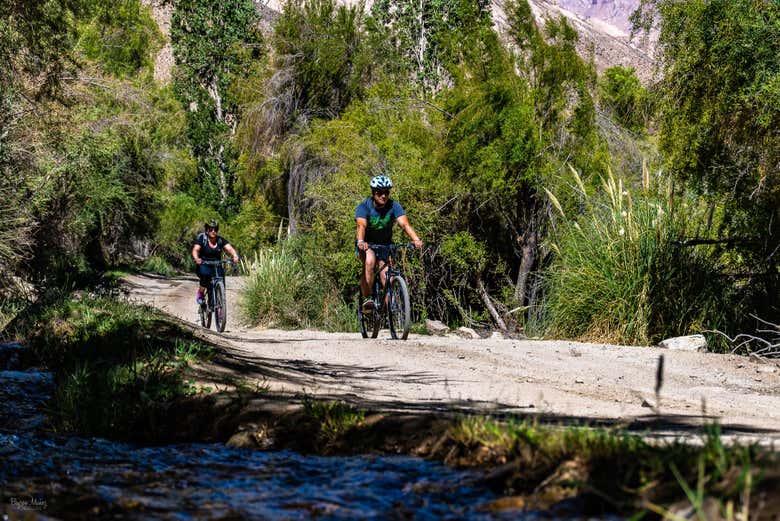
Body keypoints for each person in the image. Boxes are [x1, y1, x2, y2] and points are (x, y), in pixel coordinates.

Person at [355, 175, 422, 312]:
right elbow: (361, 226)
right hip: (367, 244)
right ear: (374, 193)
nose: (383, 196)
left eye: (386, 192)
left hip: (385, 244)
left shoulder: (393, 206)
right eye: (380, 192)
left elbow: (404, 224)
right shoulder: (364, 207)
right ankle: (368, 299)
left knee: (387, 278)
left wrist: (416, 239)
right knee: (369, 262)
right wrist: (361, 241)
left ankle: (389, 312)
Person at [191, 220, 239, 305]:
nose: (213, 231)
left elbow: (230, 249)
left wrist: (235, 255)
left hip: (216, 265)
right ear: (207, 230)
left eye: (215, 229)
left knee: (221, 280)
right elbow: (195, 250)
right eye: (211, 229)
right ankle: (201, 293)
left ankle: (220, 304)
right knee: (205, 278)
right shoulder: (203, 239)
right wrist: (197, 258)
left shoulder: (220, 240)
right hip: (204, 264)